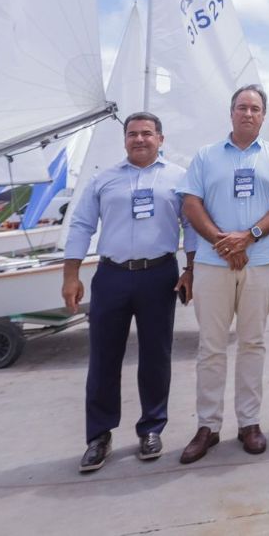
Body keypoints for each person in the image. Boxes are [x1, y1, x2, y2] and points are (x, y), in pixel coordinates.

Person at [61, 112, 198, 473]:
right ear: (125, 140)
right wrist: (70, 275)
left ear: (161, 139)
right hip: (111, 275)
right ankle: (99, 436)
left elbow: (192, 226)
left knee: (156, 356)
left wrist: (191, 270)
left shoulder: (178, 179)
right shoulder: (103, 181)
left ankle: (151, 428)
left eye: (147, 134)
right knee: (104, 358)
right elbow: (81, 226)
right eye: (133, 134)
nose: (140, 139)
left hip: (158, 275)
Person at [179, 85, 269, 464]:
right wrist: (221, 241)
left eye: (255, 109)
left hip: (260, 260)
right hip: (214, 264)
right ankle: (208, 426)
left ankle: (249, 423)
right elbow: (190, 203)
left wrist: (249, 237)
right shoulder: (205, 157)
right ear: (231, 113)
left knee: (253, 343)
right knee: (211, 347)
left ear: (264, 116)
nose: (248, 114)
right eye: (242, 107)